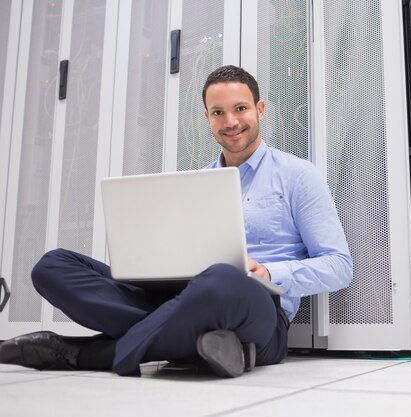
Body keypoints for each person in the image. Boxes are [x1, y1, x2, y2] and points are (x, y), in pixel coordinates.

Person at [0, 65, 353, 378]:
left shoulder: (297, 175)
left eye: (240, 109)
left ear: (259, 110)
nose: (230, 122)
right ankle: (202, 345)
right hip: (185, 296)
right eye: (218, 112)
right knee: (53, 265)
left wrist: (270, 274)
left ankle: (85, 354)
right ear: (207, 118)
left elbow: (339, 266)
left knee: (222, 279)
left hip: (256, 309)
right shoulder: (197, 183)